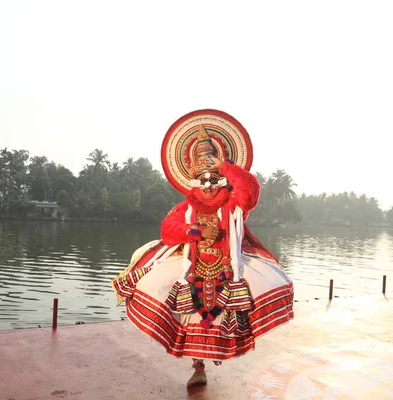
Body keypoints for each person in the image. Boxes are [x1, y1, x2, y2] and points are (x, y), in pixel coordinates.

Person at [112, 109, 294, 387]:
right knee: (190, 321)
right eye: (202, 179)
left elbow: (250, 191)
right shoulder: (186, 207)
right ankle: (198, 367)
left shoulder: (233, 205)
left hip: (227, 268)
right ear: (193, 181)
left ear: (222, 179)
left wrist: (226, 166)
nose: (208, 185)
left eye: (214, 179)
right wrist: (195, 231)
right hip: (192, 270)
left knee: (223, 320)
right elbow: (167, 230)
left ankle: (217, 352)